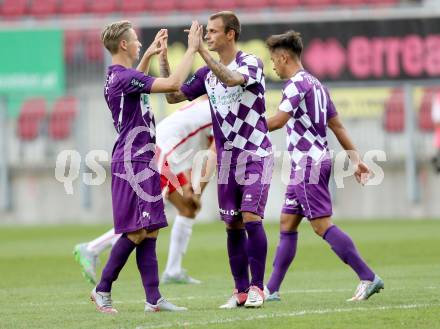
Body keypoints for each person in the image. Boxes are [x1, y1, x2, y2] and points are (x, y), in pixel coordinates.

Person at [90, 20, 202, 314]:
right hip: (133, 161)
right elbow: (174, 85)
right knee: (137, 231)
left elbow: (135, 84)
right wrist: (192, 50)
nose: (140, 42)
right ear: (124, 45)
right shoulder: (124, 78)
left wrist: (150, 54)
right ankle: (102, 289)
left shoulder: (119, 76)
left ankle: (154, 300)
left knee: (150, 229)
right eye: (137, 40)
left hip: (144, 158)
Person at [263, 31, 384, 302]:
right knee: (287, 222)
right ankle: (271, 289)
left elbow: (278, 121)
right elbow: (337, 125)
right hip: (311, 162)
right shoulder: (317, 85)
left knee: (320, 225)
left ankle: (367, 276)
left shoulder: (295, 85)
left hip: (308, 164)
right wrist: (357, 160)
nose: (273, 66)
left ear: (284, 57)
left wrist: (246, 126)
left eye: (273, 60)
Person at [165, 12, 273, 309]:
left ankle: (257, 288)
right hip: (226, 161)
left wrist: (199, 50)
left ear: (231, 34)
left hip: (254, 153)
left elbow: (232, 78)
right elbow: (173, 97)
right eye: (206, 32)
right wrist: (164, 59)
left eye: (213, 32)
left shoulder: (251, 62)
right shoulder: (206, 75)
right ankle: (239, 291)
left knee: (251, 217)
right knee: (232, 225)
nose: (208, 36)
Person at [74, 96, 214, 286]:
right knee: (145, 218)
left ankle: (173, 270)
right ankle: (91, 248)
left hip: (169, 154)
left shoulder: (207, 105)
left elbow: (186, 143)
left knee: (188, 208)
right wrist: (197, 191)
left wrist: (190, 187)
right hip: (160, 153)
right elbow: (213, 156)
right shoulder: (222, 113)